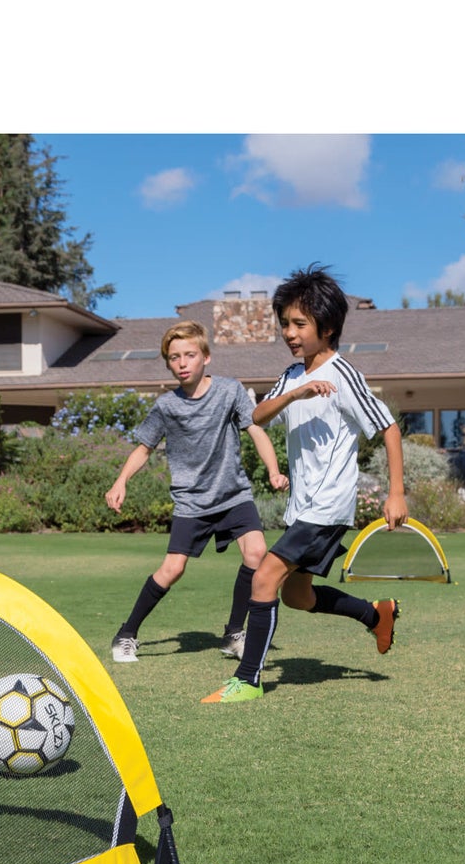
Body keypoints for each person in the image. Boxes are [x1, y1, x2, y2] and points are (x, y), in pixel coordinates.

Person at [202, 265, 407, 704]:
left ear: (327, 328)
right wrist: (296, 392)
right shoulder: (292, 375)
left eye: (299, 324)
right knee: (297, 596)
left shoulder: (344, 374)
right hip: (302, 507)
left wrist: (396, 493)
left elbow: (389, 427)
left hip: (327, 507)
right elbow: (256, 416)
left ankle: (248, 680)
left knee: (264, 578)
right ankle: (376, 616)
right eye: (285, 324)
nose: (289, 333)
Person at [105, 320, 289, 663]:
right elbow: (144, 448)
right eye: (174, 357)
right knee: (173, 569)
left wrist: (274, 470)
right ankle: (126, 633)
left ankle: (234, 634)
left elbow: (255, 430)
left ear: (206, 357)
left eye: (190, 355)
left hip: (233, 494)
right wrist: (121, 481)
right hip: (191, 501)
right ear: (168, 363)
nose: (182, 363)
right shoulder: (166, 406)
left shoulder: (230, 390)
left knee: (256, 552)